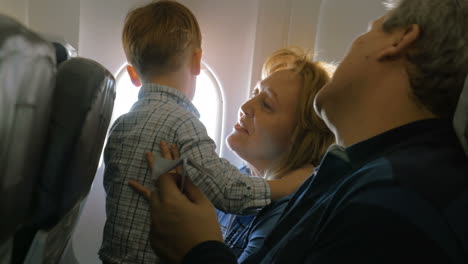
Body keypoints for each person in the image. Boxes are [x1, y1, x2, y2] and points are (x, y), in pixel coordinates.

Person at [131, 0, 468, 263]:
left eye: (370, 30)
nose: (247, 109)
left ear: (400, 39)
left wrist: (196, 249)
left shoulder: (394, 199)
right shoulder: (354, 174)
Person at [99, 2, 311, 264]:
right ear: (197, 60)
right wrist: (291, 185)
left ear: (132, 74)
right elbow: (230, 193)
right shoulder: (183, 124)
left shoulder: (121, 125)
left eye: (266, 103)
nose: (245, 106)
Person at [215, 48, 334, 263]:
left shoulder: (288, 213)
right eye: (254, 94)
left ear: (300, 136)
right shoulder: (239, 178)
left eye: (267, 105)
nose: (244, 107)